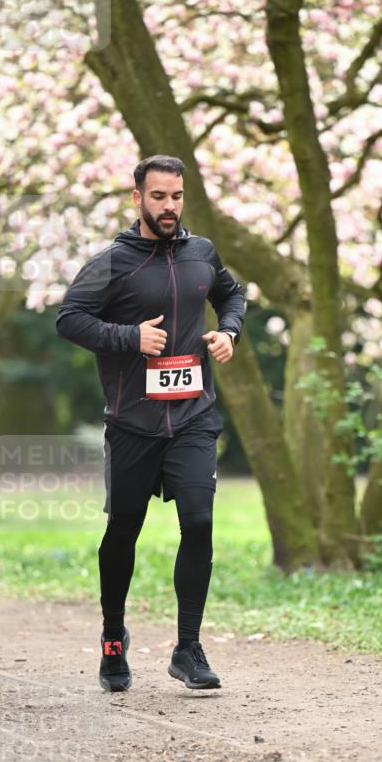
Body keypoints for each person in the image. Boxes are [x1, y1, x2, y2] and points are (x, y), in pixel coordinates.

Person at [56, 155, 246, 694]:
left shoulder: (202, 253)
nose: (169, 206)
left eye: (177, 196)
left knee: (200, 522)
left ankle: (188, 647)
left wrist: (228, 330)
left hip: (193, 416)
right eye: (158, 196)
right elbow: (69, 319)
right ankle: (113, 638)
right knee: (123, 532)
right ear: (137, 197)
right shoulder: (112, 263)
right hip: (132, 422)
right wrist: (129, 338)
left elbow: (232, 294)